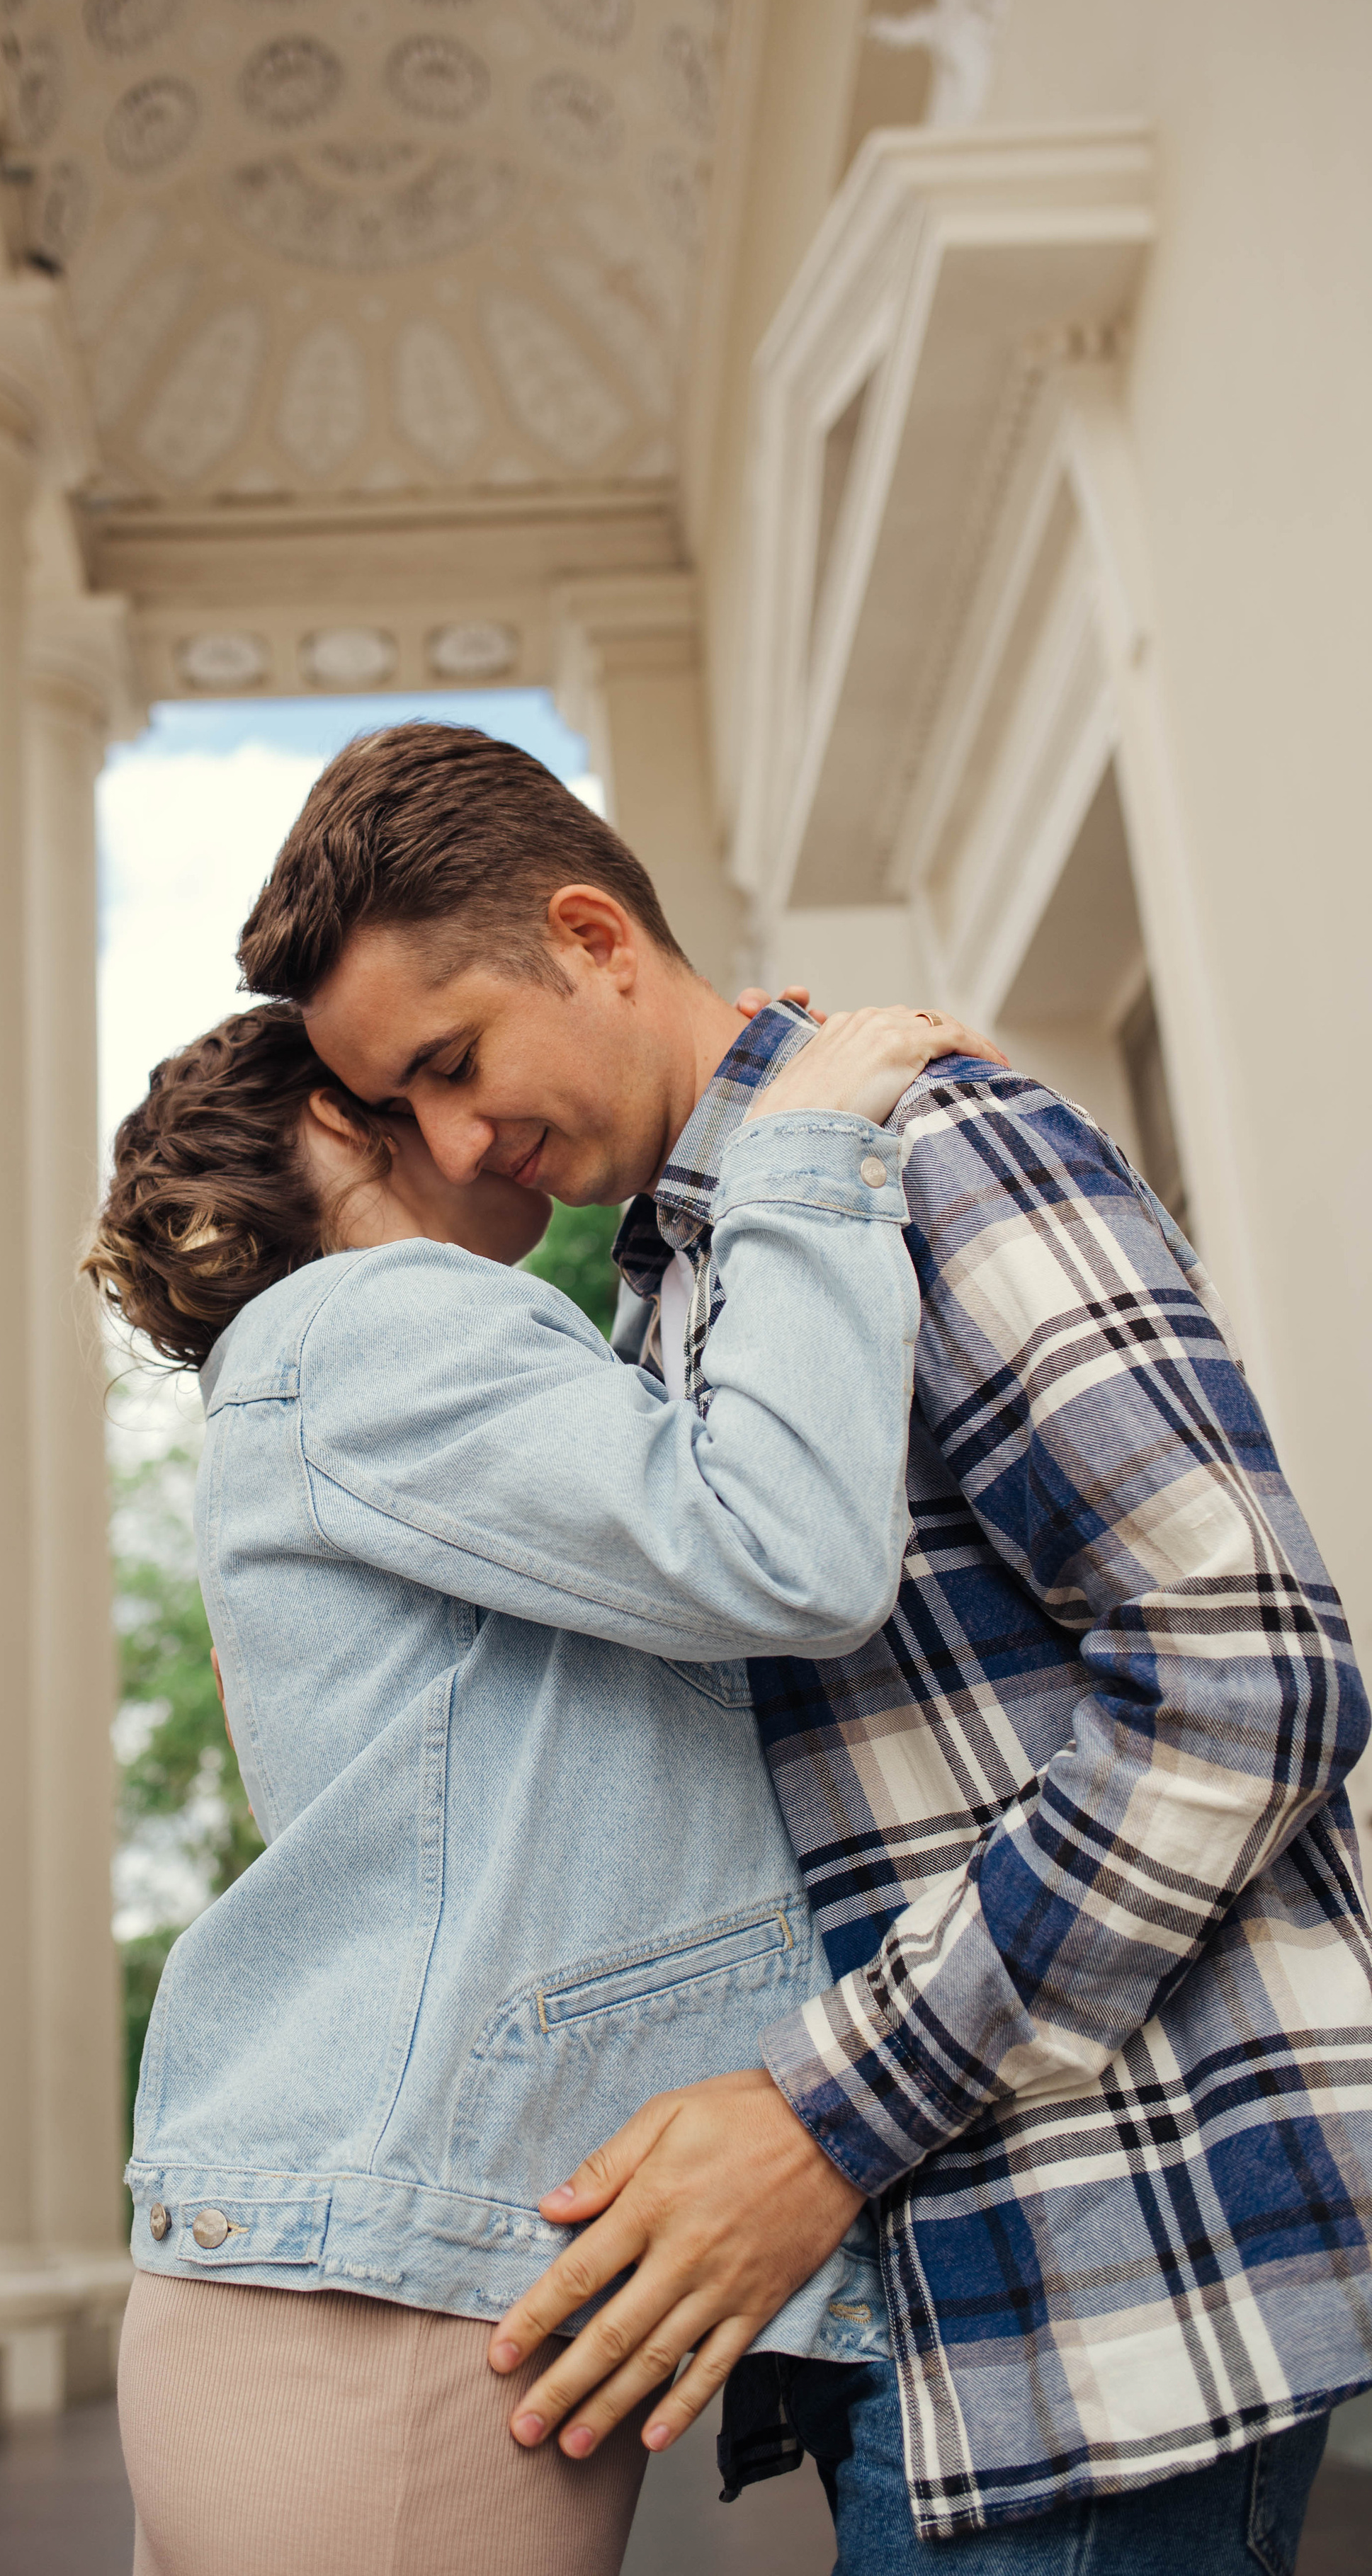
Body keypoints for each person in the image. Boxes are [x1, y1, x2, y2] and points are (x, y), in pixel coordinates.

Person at [238, 722, 1372, 2570]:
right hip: (942, 2317)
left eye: (454, 1063)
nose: (458, 1145)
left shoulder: (937, 1145)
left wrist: (823, 2119)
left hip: (1107, 2289)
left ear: (596, 937)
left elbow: (1251, 1670)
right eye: (405, 1113)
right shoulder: (688, 1283)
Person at [87, 991, 988, 2576]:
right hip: (377, 2315)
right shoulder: (381, 1320)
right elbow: (778, 1549)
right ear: (325, 1127)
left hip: (333, 2292)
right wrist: (799, 1150)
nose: (475, 1122)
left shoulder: (312, 1388)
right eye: (418, 1086)